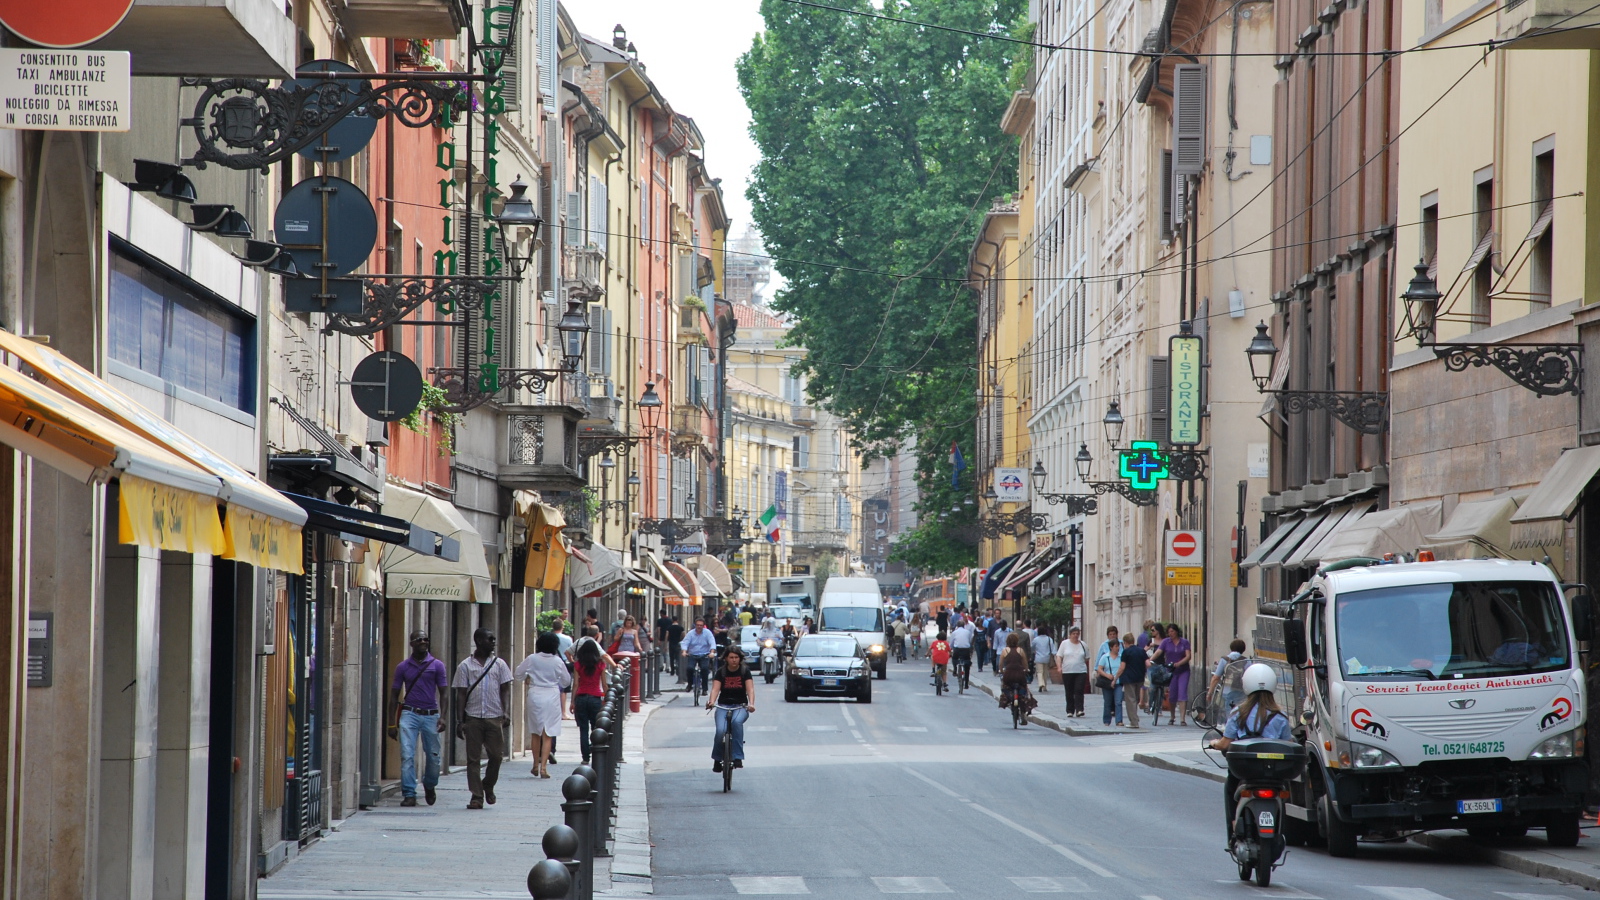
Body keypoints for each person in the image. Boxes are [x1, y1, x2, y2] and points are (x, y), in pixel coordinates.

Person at [1210, 663, 1291, 830]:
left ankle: (1233, 823)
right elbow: (1287, 744)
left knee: (1231, 786)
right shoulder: (1280, 716)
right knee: (1284, 789)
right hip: (1272, 770)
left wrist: (1215, 744)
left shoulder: (1238, 713)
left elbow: (1226, 742)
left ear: (1246, 685)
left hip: (1245, 769)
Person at [452, 628, 514, 809]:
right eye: (490, 639)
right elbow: (461, 694)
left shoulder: (499, 664)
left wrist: (506, 711)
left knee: (496, 756)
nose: (493, 642)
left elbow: (505, 689)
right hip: (473, 718)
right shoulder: (465, 666)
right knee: (473, 759)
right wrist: (460, 720)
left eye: (494, 639)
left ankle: (488, 784)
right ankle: (476, 796)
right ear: (479, 641)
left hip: (494, 717)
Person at [388, 631, 448, 807]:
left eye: (426, 639)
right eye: (419, 639)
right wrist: (392, 723)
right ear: (411, 643)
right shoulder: (403, 667)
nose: (423, 642)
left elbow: (444, 693)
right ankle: (409, 793)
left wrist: (443, 717)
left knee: (434, 756)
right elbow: (393, 695)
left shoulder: (437, 665)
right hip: (409, 714)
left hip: (431, 715)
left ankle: (429, 784)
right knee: (407, 755)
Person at [514, 632, 571, 778]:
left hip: (535, 694)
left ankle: (534, 764)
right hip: (551, 695)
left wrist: (528, 678)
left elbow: (518, 673)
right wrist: (555, 681)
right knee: (548, 733)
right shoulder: (558, 661)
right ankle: (544, 767)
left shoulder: (532, 659)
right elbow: (566, 681)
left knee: (535, 731)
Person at [707, 646, 757, 772]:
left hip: (741, 706)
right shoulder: (721, 672)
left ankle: (738, 757)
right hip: (723, 706)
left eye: (736, 657)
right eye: (731, 657)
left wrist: (751, 704)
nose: (734, 660)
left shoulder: (745, 671)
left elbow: (750, 689)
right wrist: (711, 701)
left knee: (736, 723)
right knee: (720, 731)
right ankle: (717, 759)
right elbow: (715, 689)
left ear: (740, 659)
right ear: (726, 659)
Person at [571, 634, 615, 765]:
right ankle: (594, 750)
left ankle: (585, 758)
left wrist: (572, 702)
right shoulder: (600, 665)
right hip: (595, 698)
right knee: (595, 728)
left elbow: (576, 684)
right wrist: (607, 698)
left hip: (581, 698)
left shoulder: (578, 665)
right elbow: (604, 683)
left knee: (583, 729)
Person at [1159, 623, 1194, 726]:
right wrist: (1149, 660)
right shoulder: (1166, 642)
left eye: (1172, 631)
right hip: (1171, 671)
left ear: (1177, 631)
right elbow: (1159, 652)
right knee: (1172, 695)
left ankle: (1182, 719)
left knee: (1182, 692)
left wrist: (1179, 663)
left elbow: (1188, 656)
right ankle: (1172, 716)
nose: (1171, 634)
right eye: (1169, 632)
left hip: (1183, 670)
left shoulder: (1184, 642)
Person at [1054, 626, 1089, 717]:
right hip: (1067, 671)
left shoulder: (1083, 644)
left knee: (1079, 690)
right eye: (1073, 634)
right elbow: (1059, 656)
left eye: (1077, 634)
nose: (1075, 635)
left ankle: (1079, 709)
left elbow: (1087, 657)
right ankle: (1070, 710)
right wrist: (1059, 667)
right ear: (1070, 635)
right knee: (1069, 691)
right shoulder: (1064, 644)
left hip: (1080, 671)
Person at [1207, 639, 1250, 714]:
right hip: (1242, 692)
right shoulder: (1247, 661)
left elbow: (1216, 678)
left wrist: (1210, 693)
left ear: (1231, 647)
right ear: (1243, 649)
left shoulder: (1225, 660)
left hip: (1228, 691)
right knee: (1241, 714)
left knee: (1229, 715)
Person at [998, 632, 1033, 716]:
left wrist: (1001, 670)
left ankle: (1007, 699)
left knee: (1004, 686)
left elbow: (1000, 664)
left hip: (1008, 674)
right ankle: (1023, 708)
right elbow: (1025, 663)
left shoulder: (1005, 650)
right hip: (1019, 674)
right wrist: (1026, 669)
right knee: (1024, 688)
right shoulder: (1020, 650)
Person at [1116, 633, 1146, 728]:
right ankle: (1135, 718)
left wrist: (1115, 678)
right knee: (1135, 699)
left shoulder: (1126, 652)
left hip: (1129, 679)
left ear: (1125, 642)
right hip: (1140, 678)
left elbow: (1122, 667)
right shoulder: (1141, 651)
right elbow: (1148, 663)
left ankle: (1134, 721)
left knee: (1130, 700)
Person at [1096, 628, 1123, 727]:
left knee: (1118, 702)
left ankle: (1119, 720)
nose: (1118, 648)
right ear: (1111, 647)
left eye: (1118, 646)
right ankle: (1107, 720)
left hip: (1118, 682)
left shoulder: (1121, 657)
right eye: (1116, 646)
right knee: (1107, 702)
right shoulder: (1105, 657)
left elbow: (1123, 668)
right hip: (1107, 682)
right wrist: (1107, 675)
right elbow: (1099, 668)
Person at [681, 617, 716, 693]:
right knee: (689, 668)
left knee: (704, 669)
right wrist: (684, 651)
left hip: (704, 655)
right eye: (697, 625)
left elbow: (712, 642)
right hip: (692, 655)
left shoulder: (708, 633)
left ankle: (704, 689)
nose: (699, 627)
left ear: (703, 626)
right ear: (695, 625)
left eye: (701, 625)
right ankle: (690, 685)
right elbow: (685, 642)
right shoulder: (690, 633)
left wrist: (712, 652)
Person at [1030, 625, 1055, 692]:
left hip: (1038, 657)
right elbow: (1053, 649)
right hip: (1047, 658)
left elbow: (1032, 647)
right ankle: (1045, 687)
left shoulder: (1036, 639)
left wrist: (1033, 652)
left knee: (1039, 672)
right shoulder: (1049, 639)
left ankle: (1041, 684)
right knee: (1045, 672)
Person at [667, 616, 685, 683]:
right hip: (678, 643)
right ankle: (678, 670)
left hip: (671, 643)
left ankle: (672, 671)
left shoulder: (669, 628)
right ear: (677, 620)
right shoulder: (681, 628)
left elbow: (667, 635)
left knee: (671, 657)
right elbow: (683, 635)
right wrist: (681, 640)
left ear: (672, 620)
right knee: (678, 658)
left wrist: (666, 642)